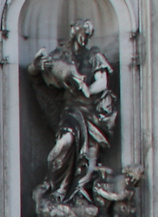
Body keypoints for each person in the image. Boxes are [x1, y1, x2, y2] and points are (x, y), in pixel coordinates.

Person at [27, 18, 117, 206]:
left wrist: (87, 90)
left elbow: (103, 82)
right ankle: (55, 188)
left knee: (91, 153)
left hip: (92, 111)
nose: (85, 38)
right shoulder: (61, 56)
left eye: (88, 35)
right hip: (71, 111)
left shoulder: (94, 55)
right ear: (74, 32)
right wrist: (38, 66)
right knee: (65, 142)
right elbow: (40, 73)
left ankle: (81, 193)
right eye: (83, 33)